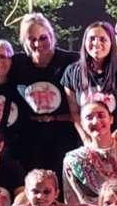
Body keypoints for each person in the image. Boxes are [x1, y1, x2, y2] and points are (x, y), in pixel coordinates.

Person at [10, 13, 81, 174]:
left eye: (43, 38)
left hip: (65, 135)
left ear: (51, 36)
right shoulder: (17, 63)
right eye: (32, 39)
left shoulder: (71, 60)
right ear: (24, 41)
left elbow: (99, 64)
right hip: (29, 139)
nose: (38, 43)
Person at [61, 22, 117, 144]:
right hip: (91, 144)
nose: (96, 43)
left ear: (112, 43)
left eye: (103, 39)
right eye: (92, 38)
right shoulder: (72, 72)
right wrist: (86, 139)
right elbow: (74, 113)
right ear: (84, 42)